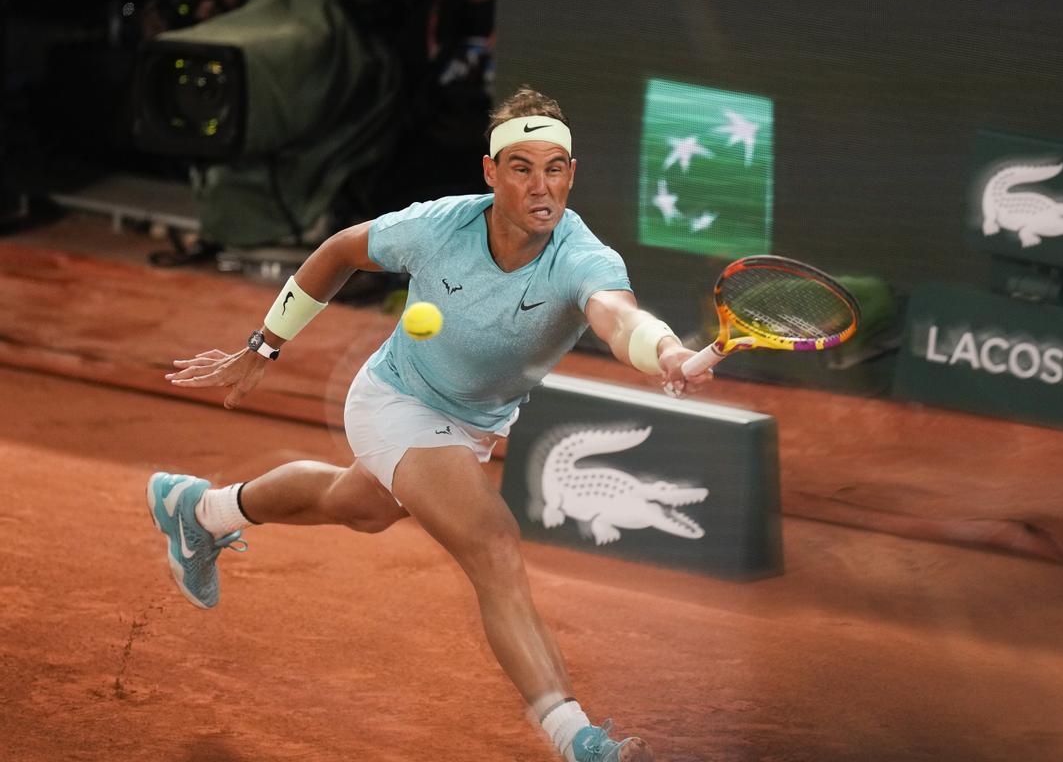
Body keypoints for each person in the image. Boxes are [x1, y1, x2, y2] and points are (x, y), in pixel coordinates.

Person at [147, 87, 711, 762]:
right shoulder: (439, 226)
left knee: (353, 505)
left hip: (473, 423)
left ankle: (201, 511)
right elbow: (337, 252)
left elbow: (620, 319)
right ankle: (579, 740)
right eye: (523, 167)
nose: (541, 186)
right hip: (395, 401)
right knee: (493, 544)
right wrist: (265, 345)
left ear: (572, 173)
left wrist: (669, 353)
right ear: (490, 173)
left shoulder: (584, 257)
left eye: (555, 167)